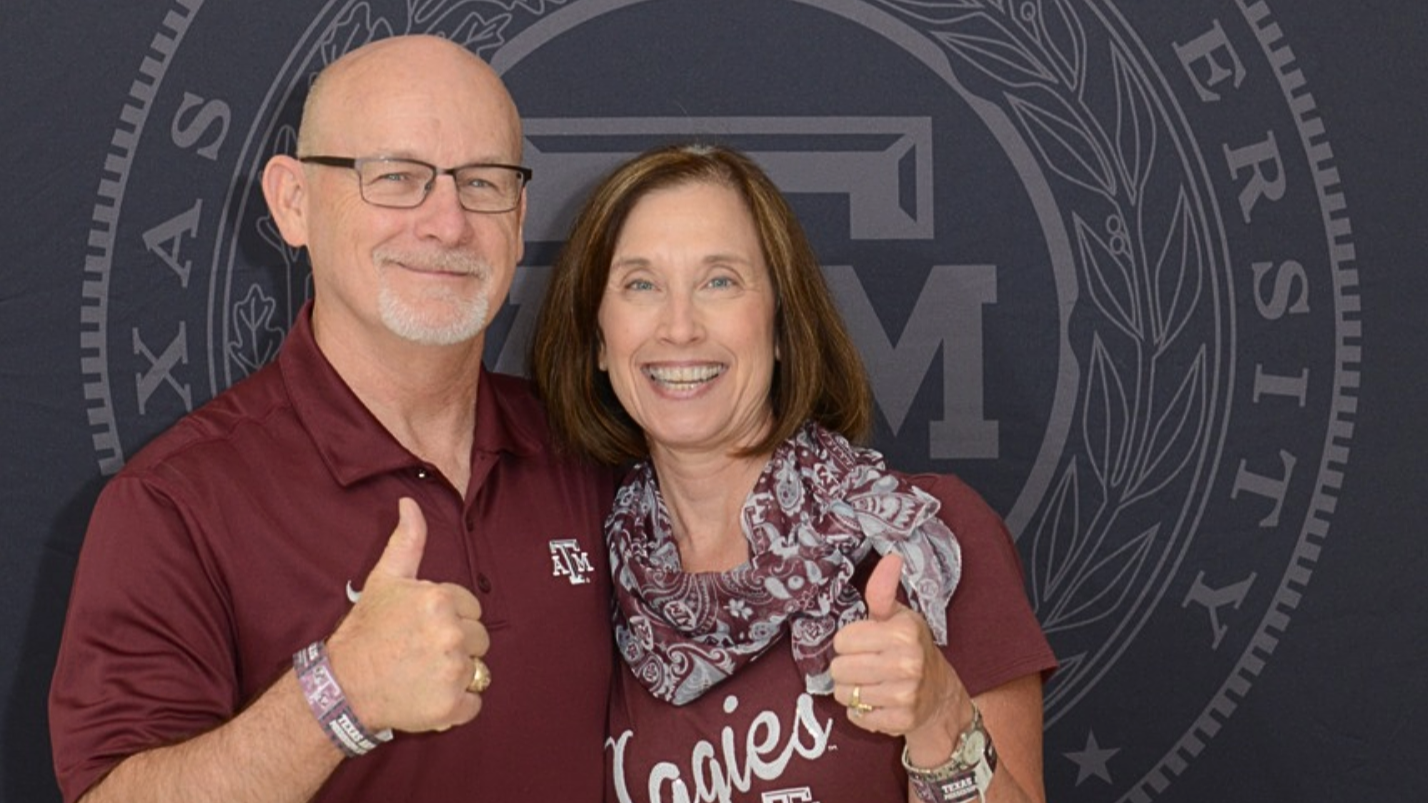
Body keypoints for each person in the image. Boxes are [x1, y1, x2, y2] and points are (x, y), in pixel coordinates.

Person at [49, 35, 616, 803]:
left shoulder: (594, 455)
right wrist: (337, 695)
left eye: (482, 183)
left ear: (517, 218)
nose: (447, 223)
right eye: (397, 178)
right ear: (293, 203)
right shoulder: (175, 503)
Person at [530, 143, 1058, 803]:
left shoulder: (925, 539)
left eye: (719, 280)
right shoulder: (583, 575)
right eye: (641, 283)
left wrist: (939, 715)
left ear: (780, 325)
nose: (680, 326)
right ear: (599, 340)